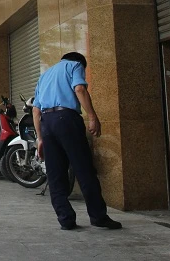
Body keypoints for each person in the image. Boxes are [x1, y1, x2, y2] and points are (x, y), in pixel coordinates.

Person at [32, 52, 122, 231]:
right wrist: (92, 116)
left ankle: (65, 219)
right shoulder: (75, 65)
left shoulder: (45, 75)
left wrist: (40, 138)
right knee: (84, 169)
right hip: (67, 119)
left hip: (47, 123)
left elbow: (36, 110)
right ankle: (98, 216)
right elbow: (80, 89)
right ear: (81, 62)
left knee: (55, 174)